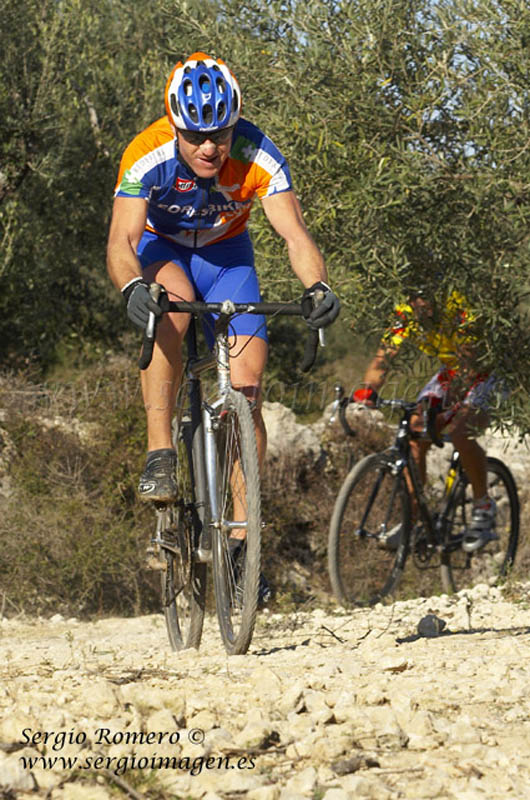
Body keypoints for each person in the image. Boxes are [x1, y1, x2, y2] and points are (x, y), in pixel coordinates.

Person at [106, 52, 339, 583]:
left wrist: (317, 286)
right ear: (175, 127)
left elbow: (295, 234)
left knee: (248, 388)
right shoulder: (146, 152)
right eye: (195, 136)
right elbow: (121, 239)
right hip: (163, 251)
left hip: (228, 258)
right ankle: (160, 453)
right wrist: (132, 286)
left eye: (221, 134)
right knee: (171, 307)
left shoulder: (258, 153)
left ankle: (242, 536)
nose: (209, 147)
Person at [353, 284, 498, 553]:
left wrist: (445, 412)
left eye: (424, 297)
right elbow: (383, 358)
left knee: (460, 432)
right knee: (414, 432)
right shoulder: (405, 314)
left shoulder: (458, 306)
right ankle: (413, 520)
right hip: (452, 371)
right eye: (413, 297)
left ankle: (483, 506)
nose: (418, 304)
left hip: (487, 371)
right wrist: (366, 393)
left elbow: (470, 363)